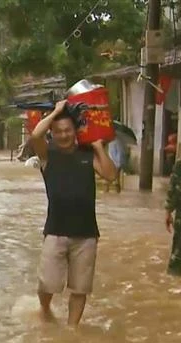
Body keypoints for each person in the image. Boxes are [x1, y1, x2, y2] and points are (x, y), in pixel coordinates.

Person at [29, 99, 117, 326]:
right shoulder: (47, 155)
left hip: (86, 233)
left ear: (75, 131)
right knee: (47, 284)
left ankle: (72, 328)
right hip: (56, 231)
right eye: (58, 131)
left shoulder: (88, 154)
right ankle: (45, 309)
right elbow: (36, 136)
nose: (64, 135)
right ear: (53, 133)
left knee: (80, 288)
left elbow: (111, 175)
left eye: (68, 130)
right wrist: (57, 111)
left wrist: (98, 147)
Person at [165, 154, 181, 276]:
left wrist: (168, 212)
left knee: (176, 266)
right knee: (176, 266)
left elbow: (172, 190)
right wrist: (168, 212)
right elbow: (173, 189)